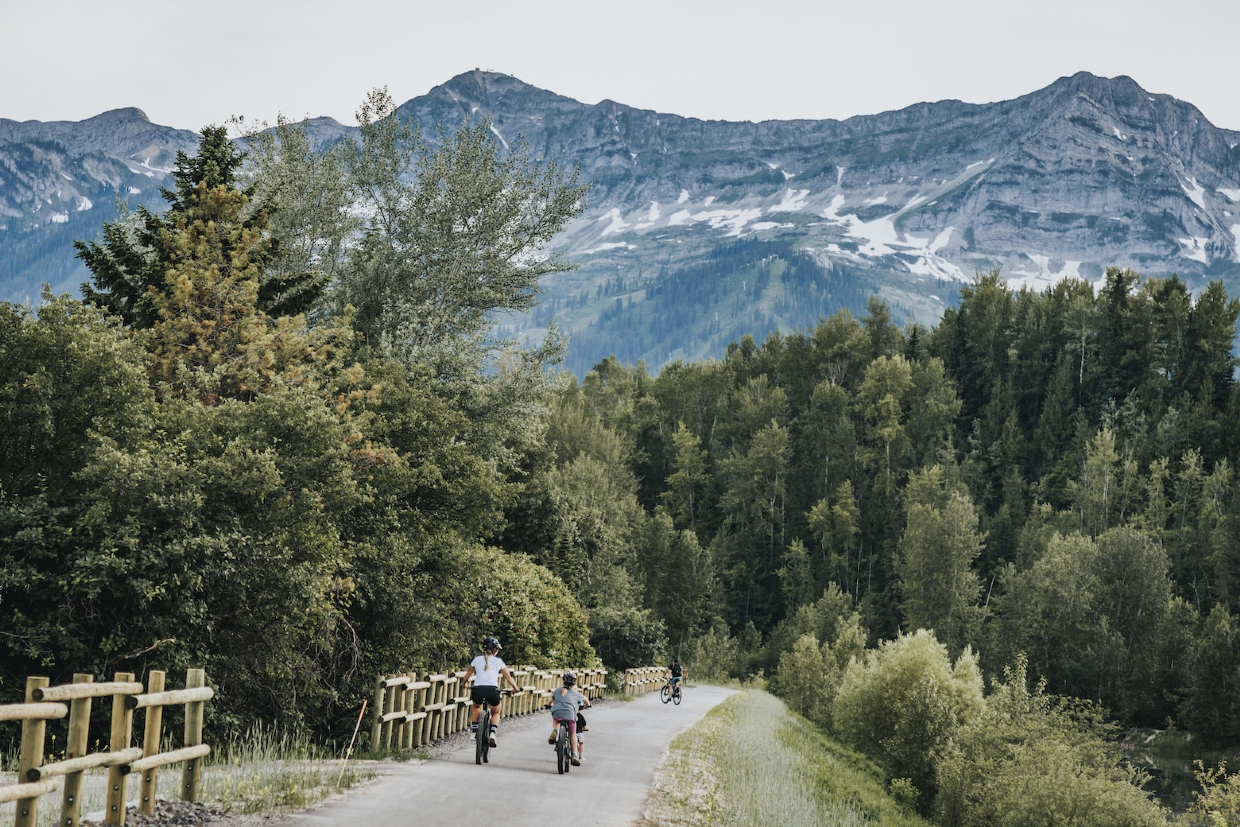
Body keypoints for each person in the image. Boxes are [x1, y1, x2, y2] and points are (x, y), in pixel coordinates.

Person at [459, 636, 519, 747]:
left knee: (476, 706)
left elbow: (468, 674)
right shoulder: (498, 662)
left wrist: (464, 684)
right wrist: (515, 688)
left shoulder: (476, 660)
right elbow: (508, 677)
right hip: (492, 690)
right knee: (496, 711)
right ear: (494, 650)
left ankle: (474, 731)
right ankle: (492, 732)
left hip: (478, 689)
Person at [547, 671, 590, 765]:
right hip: (570, 715)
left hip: (558, 713)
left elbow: (550, 702)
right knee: (573, 734)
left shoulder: (557, 691)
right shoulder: (576, 694)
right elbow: (586, 700)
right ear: (574, 683)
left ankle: (555, 730)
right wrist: (587, 705)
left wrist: (548, 705)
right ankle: (574, 754)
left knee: (555, 719)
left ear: (563, 681)